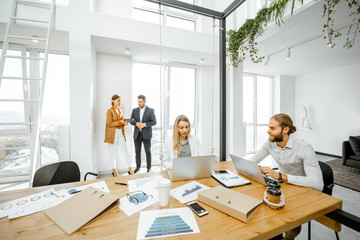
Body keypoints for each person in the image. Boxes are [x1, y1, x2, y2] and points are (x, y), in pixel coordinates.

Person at [250, 113, 324, 240]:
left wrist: (280, 176)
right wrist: (251, 166)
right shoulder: (271, 143)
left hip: (303, 190)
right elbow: (254, 159)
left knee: (289, 221)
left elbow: (318, 184)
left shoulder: (304, 147)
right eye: (269, 127)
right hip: (284, 187)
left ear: (286, 130)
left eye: (272, 128)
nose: (268, 131)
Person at [104, 95, 133, 177]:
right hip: (113, 133)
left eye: (120, 101)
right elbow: (109, 124)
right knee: (112, 153)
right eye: (118, 101)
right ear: (113, 101)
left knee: (125, 150)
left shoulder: (120, 110)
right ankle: (114, 170)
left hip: (120, 132)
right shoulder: (109, 111)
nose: (120, 102)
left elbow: (121, 122)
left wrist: (124, 123)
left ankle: (130, 169)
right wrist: (120, 122)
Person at [130, 95, 157, 173]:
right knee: (137, 152)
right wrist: (136, 123)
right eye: (138, 102)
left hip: (146, 134)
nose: (139, 103)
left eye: (141, 102)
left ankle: (149, 168)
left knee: (148, 152)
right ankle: (137, 167)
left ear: (145, 101)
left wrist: (145, 124)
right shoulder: (134, 110)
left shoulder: (151, 110)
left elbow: (154, 122)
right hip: (137, 134)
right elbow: (132, 121)